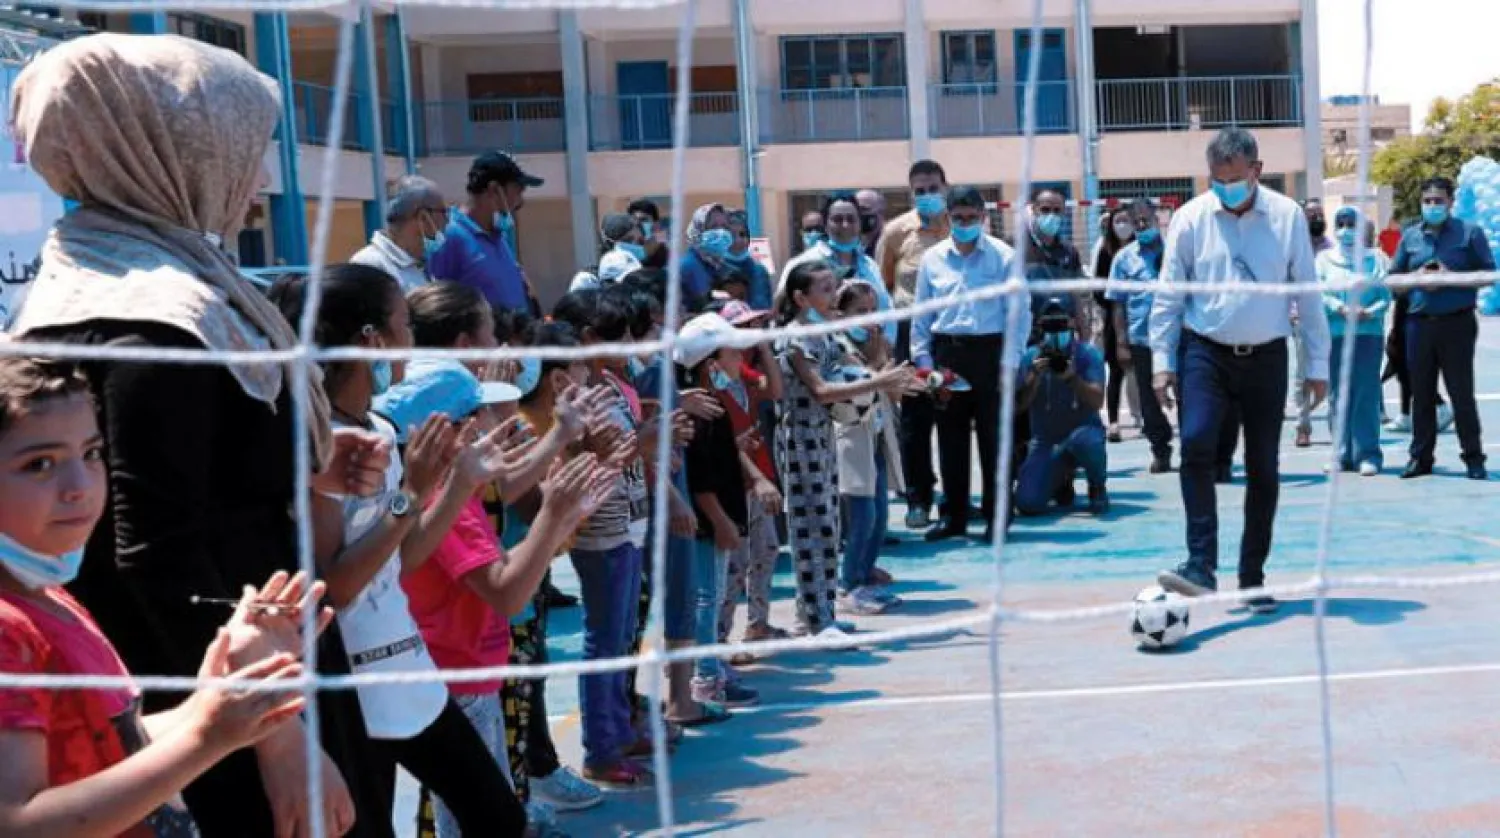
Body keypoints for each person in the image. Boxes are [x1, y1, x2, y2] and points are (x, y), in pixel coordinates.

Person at [11, 33, 383, 836]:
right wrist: (278, 740)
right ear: (166, 150)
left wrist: (303, 468)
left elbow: (195, 479)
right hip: (225, 698)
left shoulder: (150, 284)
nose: (256, 180)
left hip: (251, 670)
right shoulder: (147, 323)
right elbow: (156, 549)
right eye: (241, 149)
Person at [0, 356, 323, 838]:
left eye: (90, 454)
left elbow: (106, 746)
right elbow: (16, 823)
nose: (80, 487)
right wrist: (204, 737)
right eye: (40, 464)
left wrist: (213, 702)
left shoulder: (49, 598)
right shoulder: (8, 628)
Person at [269, 265, 534, 836]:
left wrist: (457, 480)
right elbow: (333, 588)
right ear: (372, 340)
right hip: (360, 682)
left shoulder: (378, 430)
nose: (411, 338)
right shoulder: (324, 447)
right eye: (403, 323)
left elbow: (404, 556)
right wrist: (410, 494)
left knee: (497, 815)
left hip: (404, 664)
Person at [1150, 127, 1330, 612]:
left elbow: (1307, 295)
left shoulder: (1287, 217)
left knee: (1263, 467)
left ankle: (1252, 576)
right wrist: (1162, 362)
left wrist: (1317, 365)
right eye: (1217, 180)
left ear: (1257, 170)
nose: (1226, 188)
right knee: (1196, 443)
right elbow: (1169, 296)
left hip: (1267, 355)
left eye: (1235, 178)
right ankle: (1200, 564)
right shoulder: (1190, 219)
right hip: (1205, 352)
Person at [775, 262, 916, 639]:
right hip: (800, 437)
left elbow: (857, 372)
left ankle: (823, 612)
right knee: (809, 530)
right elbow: (821, 389)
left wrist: (884, 374)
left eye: (832, 288)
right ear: (800, 298)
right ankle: (815, 618)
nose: (832, 296)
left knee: (827, 528)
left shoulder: (825, 334)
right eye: (823, 289)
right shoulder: (795, 338)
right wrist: (880, 379)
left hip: (823, 434)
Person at [912, 186, 1031, 544]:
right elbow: (922, 314)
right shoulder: (932, 259)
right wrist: (924, 362)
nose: (964, 224)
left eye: (971, 217)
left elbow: (1019, 315)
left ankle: (997, 519)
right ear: (948, 217)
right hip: (948, 354)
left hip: (991, 355)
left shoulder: (1004, 257)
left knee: (995, 443)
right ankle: (955, 516)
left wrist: (1009, 364)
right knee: (950, 442)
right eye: (958, 217)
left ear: (983, 217)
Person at [675, 312, 762, 707]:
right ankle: (705, 679)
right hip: (708, 524)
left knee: (709, 595)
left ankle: (709, 669)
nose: (738, 363)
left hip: (714, 520)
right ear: (710, 363)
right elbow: (701, 478)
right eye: (730, 355)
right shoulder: (703, 410)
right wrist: (722, 521)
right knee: (705, 599)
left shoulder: (712, 404)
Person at [1389, 176, 1495, 480]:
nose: (1433, 206)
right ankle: (1421, 458)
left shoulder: (1470, 233)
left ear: (1450, 202)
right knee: (1420, 395)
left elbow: (1489, 275)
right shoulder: (1410, 237)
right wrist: (1418, 277)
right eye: (1427, 201)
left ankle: (1473, 458)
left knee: (1461, 393)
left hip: (1457, 324)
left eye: (1438, 200)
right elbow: (1392, 280)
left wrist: (1451, 277)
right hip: (1418, 325)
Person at [705, 301, 788, 654]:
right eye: (739, 331)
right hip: (733, 483)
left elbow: (776, 390)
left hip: (758, 476)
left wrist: (765, 346)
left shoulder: (743, 374)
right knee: (734, 565)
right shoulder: (711, 386)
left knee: (766, 550)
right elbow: (723, 443)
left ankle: (758, 623)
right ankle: (719, 639)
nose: (746, 338)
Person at [876, 159, 951, 529]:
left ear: (945, 187)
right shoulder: (895, 232)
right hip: (910, 331)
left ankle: (954, 499)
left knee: (954, 414)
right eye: (919, 190)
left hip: (952, 332)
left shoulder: (962, 227)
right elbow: (885, 285)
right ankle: (918, 498)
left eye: (933, 188)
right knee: (915, 421)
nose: (927, 196)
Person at [833, 281, 906, 614]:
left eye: (872, 311)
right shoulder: (838, 346)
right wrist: (878, 364)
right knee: (861, 516)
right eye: (860, 312)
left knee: (879, 514)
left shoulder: (880, 345)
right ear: (842, 314)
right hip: (850, 439)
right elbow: (860, 391)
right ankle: (849, 584)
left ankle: (865, 575)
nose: (869, 319)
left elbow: (892, 393)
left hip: (875, 437)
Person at [1015, 297, 1110, 515]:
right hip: (1046, 441)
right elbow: (1019, 407)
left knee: (1088, 441)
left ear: (1073, 323)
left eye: (1061, 324)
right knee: (1028, 503)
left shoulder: (1088, 355)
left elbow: (1097, 401)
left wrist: (1071, 378)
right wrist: (1034, 378)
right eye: (1049, 325)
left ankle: (1097, 485)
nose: (1056, 331)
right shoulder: (1030, 357)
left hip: (1082, 433)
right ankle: (1059, 480)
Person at [1318, 208, 1392, 476]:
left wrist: (1368, 313)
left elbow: (1386, 295)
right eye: (1341, 224)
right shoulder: (1324, 260)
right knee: (1338, 394)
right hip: (1336, 334)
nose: (1346, 230)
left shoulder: (1377, 260)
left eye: (1352, 224)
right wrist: (1339, 308)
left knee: (1366, 393)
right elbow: (1319, 293)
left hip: (1368, 335)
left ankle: (1368, 453)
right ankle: (1340, 453)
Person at [428, 150, 543, 314]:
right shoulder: (450, 236)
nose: (520, 201)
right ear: (494, 189)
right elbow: (436, 305)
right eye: (518, 190)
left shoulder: (497, 236)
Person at [1107, 199, 1174, 474]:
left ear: (1158, 219)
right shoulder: (1123, 259)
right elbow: (1117, 304)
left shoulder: (1175, 251)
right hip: (1141, 341)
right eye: (1137, 222)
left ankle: (1200, 452)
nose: (1142, 225)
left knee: (1190, 396)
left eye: (1146, 219)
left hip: (1178, 338)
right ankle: (1161, 449)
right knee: (1149, 402)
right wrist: (1121, 343)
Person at [780, 192, 896, 344]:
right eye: (837, 219)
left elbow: (886, 310)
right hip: (824, 356)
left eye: (851, 219)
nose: (845, 225)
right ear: (825, 225)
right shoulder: (803, 263)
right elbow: (786, 310)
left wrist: (885, 347)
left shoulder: (870, 265)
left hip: (876, 354)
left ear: (860, 223)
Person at [351, 175, 448, 292]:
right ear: (423, 217)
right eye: (443, 212)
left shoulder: (422, 262)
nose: (447, 219)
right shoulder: (370, 266)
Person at [1093, 206, 1141, 442]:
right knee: (1116, 371)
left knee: (1142, 371)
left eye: (1126, 220)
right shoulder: (1104, 252)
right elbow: (1098, 290)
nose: (1122, 225)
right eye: (1118, 221)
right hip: (1114, 319)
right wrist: (1115, 303)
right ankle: (1113, 422)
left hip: (1141, 318)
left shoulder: (1142, 251)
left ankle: (1142, 418)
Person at [1021, 187, 1092, 345]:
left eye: (1057, 210)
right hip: (1028, 339)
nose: (1051, 215)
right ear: (1034, 209)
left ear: (1064, 212)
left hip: (1063, 337)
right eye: (1045, 210)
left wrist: (1084, 336)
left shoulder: (1069, 251)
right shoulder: (1016, 248)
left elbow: (1076, 297)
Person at [1290, 199, 1334, 448]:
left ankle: (1335, 425)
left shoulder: (1331, 249)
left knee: (1330, 374)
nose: (1316, 219)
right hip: (1302, 320)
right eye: (1311, 215)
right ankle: (1302, 425)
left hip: (1330, 317)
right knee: (1303, 376)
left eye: (1319, 214)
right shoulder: (1295, 247)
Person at [678, 204, 732, 310]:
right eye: (713, 226)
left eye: (725, 227)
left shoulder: (718, 265)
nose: (721, 232)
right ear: (698, 230)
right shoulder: (688, 266)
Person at [725, 209, 774, 310]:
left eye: (742, 235)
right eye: (731, 236)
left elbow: (764, 307)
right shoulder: (713, 270)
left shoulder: (759, 270)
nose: (738, 240)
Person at [627, 198, 669, 270]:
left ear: (655, 222)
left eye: (643, 220)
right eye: (634, 219)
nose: (637, 223)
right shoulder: (626, 242)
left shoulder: (659, 240)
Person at [855, 188, 887, 259]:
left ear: (881, 212)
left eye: (864, 209)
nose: (859, 214)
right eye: (856, 209)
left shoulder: (891, 243)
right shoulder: (851, 245)